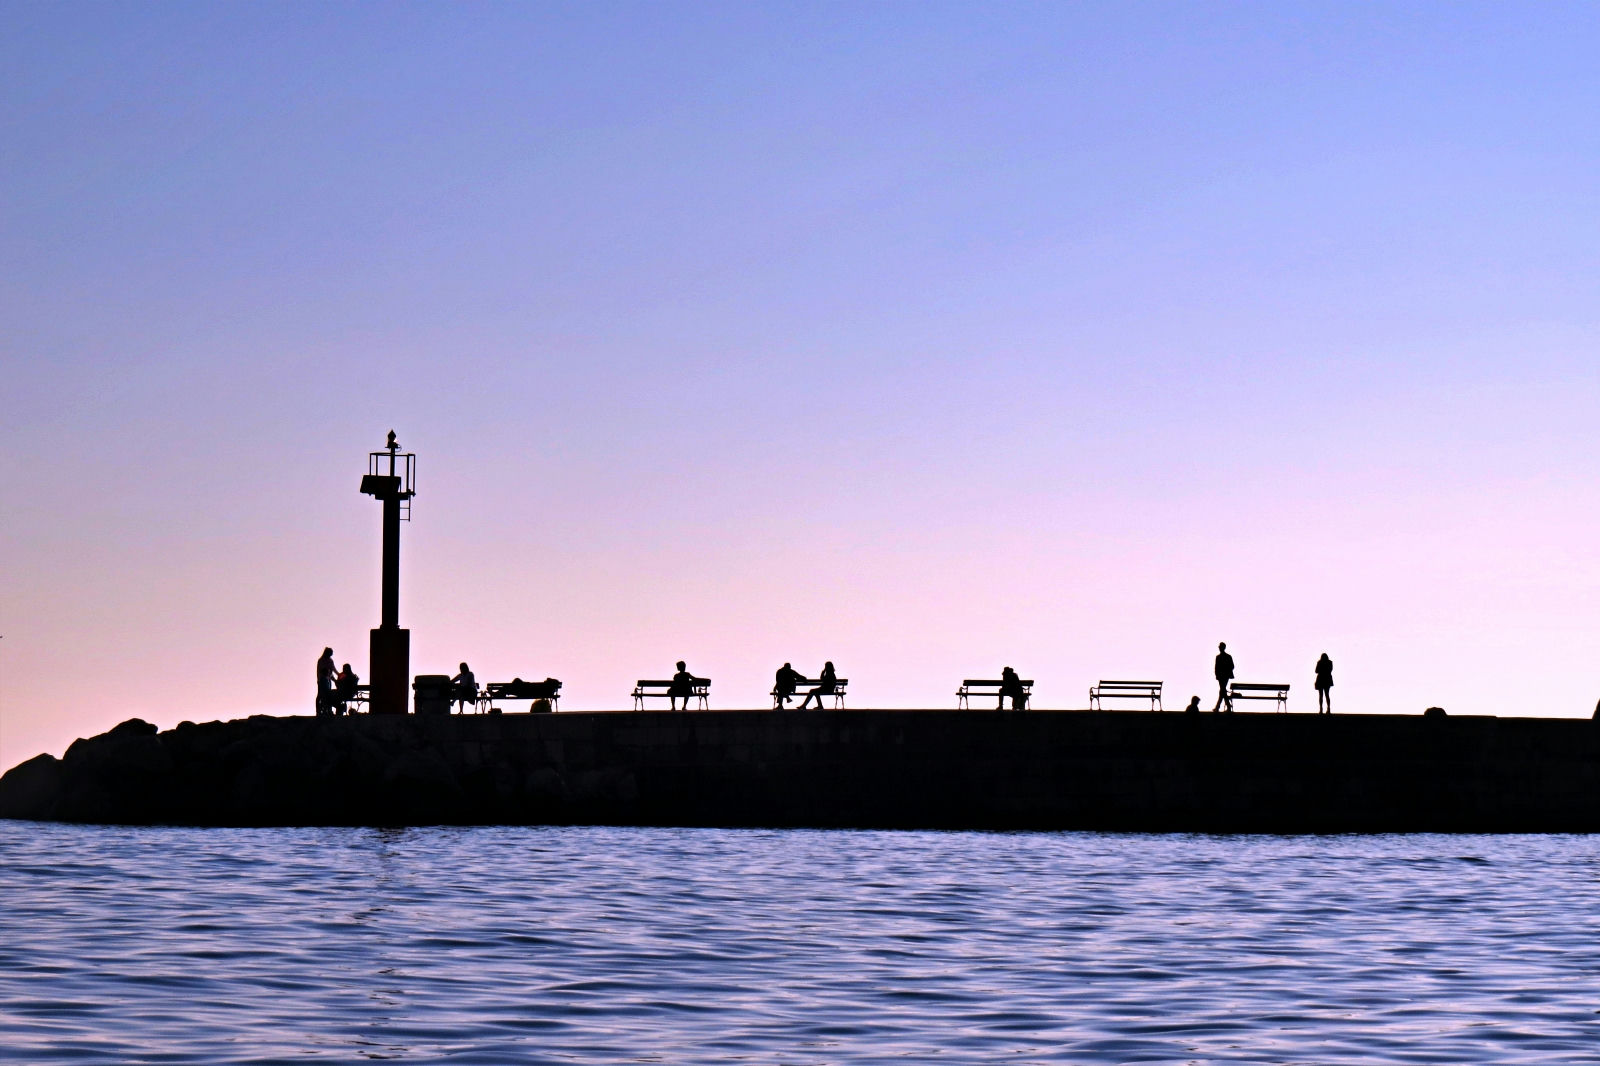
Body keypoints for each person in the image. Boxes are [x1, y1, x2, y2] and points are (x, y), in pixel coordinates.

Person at [1212, 642, 1235, 713]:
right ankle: (1226, 706)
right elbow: (1232, 666)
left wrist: (1217, 674)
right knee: (1222, 691)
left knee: (1222, 691)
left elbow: (1216, 667)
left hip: (1222, 676)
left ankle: (1219, 707)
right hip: (1225, 676)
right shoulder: (1228, 656)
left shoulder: (1219, 657)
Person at [315, 647, 336, 717]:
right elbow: (320, 671)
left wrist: (338, 677)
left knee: (328, 695)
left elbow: (333, 670)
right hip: (322, 680)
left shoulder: (330, 660)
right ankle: (319, 711)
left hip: (328, 680)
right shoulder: (321, 660)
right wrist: (319, 680)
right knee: (320, 695)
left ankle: (328, 710)